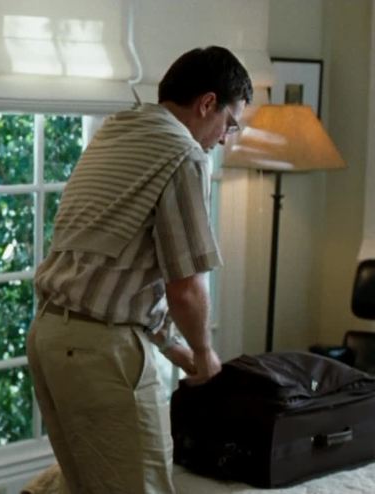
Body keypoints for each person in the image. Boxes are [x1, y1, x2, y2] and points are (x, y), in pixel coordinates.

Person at [26, 46, 252, 494]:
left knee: (83, 487)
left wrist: (171, 346)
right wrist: (204, 352)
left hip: (49, 338)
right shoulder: (184, 154)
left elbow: (119, 271)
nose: (226, 138)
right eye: (230, 122)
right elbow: (185, 287)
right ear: (207, 103)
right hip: (101, 352)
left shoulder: (117, 134)